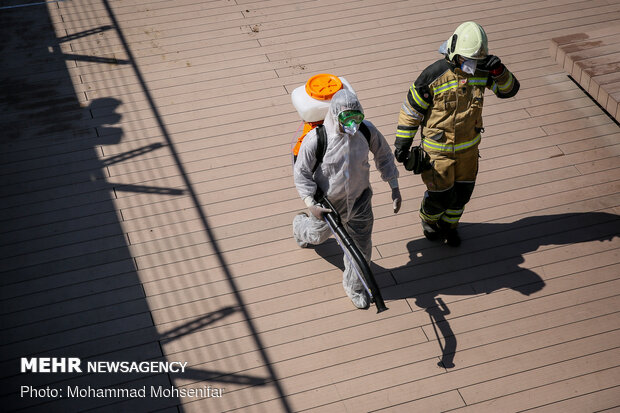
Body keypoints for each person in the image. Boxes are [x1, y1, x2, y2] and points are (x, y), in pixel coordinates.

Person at [394, 21, 520, 246]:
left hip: (468, 151)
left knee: (462, 195)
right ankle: (429, 221)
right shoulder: (432, 76)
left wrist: (499, 71)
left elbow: (508, 90)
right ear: (453, 52)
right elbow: (411, 111)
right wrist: (402, 143)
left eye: (475, 59)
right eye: (466, 59)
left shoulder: (483, 71)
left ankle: (449, 226)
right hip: (437, 152)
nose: (470, 64)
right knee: (440, 195)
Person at [293, 89, 402, 309]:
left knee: (362, 250)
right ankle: (299, 226)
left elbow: (384, 156)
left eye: (357, 117)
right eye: (346, 118)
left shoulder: (366, 131)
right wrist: (310, 205)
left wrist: (394, 185)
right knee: (316, 236)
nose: (352, 123)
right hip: (328, 205)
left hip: (360, 201)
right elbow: (301, 173)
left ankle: (355, 287)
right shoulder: (317, 139)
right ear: (335, 115)